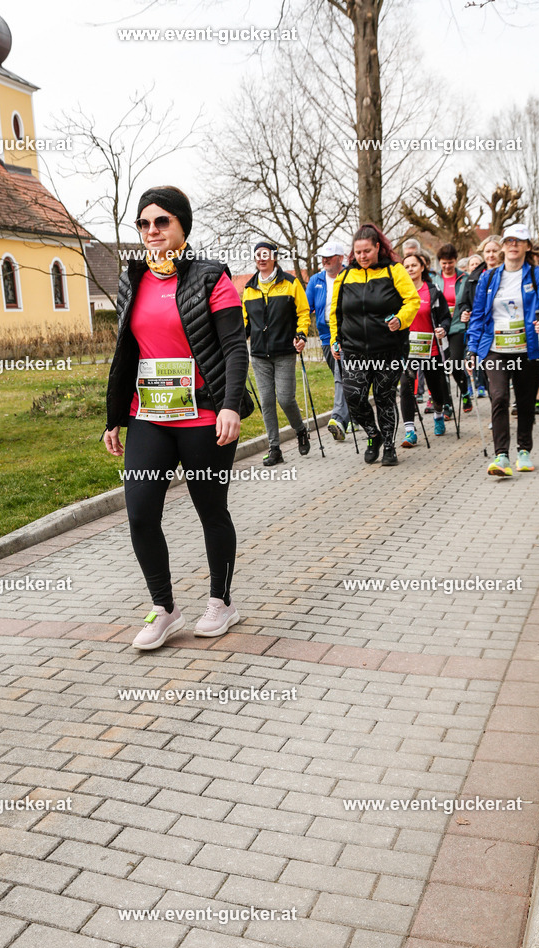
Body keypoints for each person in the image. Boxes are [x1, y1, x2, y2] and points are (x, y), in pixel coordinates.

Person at [104, 185, 250, 649]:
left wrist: (229, 404)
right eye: (144, 223)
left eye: (161, 222)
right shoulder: (133, 279)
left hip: (204, 414)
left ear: (182, 226)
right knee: (141, 513)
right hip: (149, 414)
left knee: (211, 511)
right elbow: (126, 349)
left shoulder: (212, 277)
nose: (152, 231)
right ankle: (164, 608)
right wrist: (114, 416)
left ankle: (221, 602)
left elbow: (233, 348)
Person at [330, 223, 421, 466]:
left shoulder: (394, 271)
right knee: (354, 396)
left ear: (378, 248)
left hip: (387, 350)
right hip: (354, 350)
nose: (362, 257)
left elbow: (412, 301)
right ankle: (373, 435)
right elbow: (335, 312)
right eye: (358, 252)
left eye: (367, 251)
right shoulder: (345, 276)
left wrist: (400, 320)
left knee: (384, 398)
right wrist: (334, 340)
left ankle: (390, 447)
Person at [466, 223, 539, 476]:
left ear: (527, 246)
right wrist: (472, 350)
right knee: (499, 396)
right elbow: (478, 315)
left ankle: (524, 451)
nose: (513, 245)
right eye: (509, 240)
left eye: (518, 241)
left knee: (524, 401)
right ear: (502, 246)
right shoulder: (488, 278)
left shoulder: (538, 275)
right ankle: (501, 456)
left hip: (527, 347)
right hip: (495, 348)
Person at [243, 242, 311, 465]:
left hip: (284, 352)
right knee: (267, 401)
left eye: (266, 254)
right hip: (260, 355)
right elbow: (244, 322)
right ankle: (275, 449)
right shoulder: (249, 288)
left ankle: (300, 429)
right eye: (257, 255)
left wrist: (301, 335)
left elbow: (303, 313)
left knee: (285, 398)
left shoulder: (290, 283)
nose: (261, 258)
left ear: (274, 257)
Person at [399, 252, 452, 447]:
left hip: (431, 349)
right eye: (406, 266)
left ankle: (438, 415)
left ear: (422, 267)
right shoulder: (399, 292)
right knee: (406, 385)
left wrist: (443, 329)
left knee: (436, 389)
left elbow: (446, 317)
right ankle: (410, 431)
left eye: (414, 265)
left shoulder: (433, 290)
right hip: (408, 349)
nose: (410, 269)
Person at [306, 241, 351, 441]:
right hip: (326, 337)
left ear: (341, 258)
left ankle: (338, 419)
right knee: (344, 378)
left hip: (348, 335)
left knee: (341, 376)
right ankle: (354, 415)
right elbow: (306, 309)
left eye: (329, 257)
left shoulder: (351, 276)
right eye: (322, 257)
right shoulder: (316, 280)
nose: (324, 260)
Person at [459, 235, 503, 399]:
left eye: (495, 251)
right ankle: (496, 410)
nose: (491, 255)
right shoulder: (474, 277)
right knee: (494, 380)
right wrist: (465, 311)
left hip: (507, 331)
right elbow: (465, 302)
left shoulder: (511, 274)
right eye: (488, 251)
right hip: (484, 332)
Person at [437, 243, 473, 413]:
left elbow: (468, 300)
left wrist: (467, 312)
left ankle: (465, 391)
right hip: (439, 329)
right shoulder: (435, 279)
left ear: (455, 261)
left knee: (456, 363)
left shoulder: (464, 278)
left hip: (457, 326)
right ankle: (447, 404)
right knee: (441, 367)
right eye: (444, 263)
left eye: (450, 262)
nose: (447, 266)